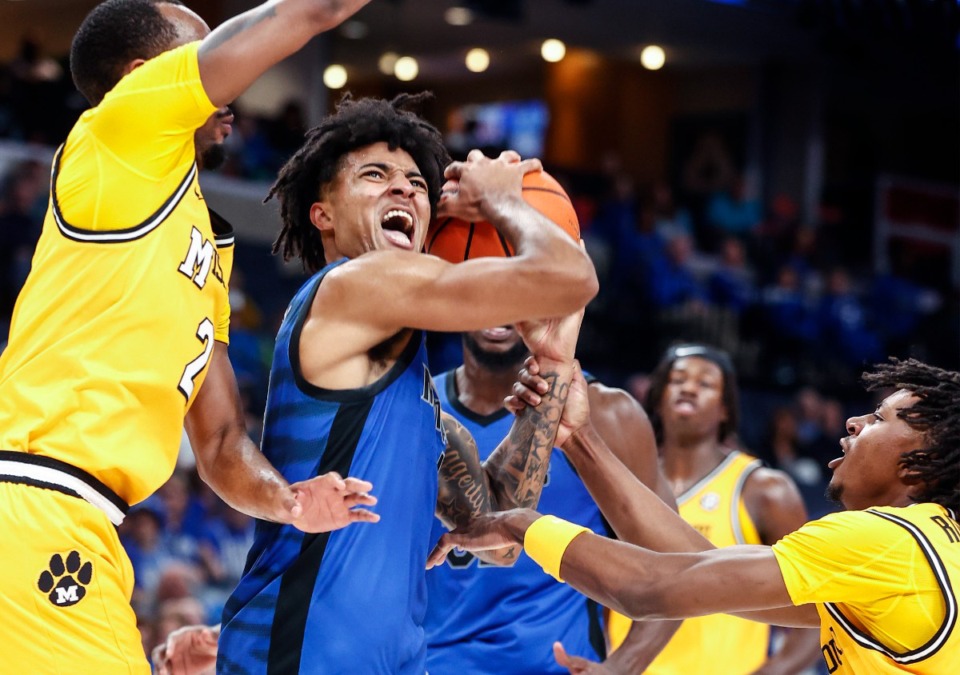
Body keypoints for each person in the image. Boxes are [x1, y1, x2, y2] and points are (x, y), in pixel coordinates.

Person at [0, 0, 382, 671]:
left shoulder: (204, 239)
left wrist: (289, 501)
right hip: (36, 497)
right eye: (199, 50)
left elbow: (221, 442)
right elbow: (310, 11)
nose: (226, 77)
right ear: (147, 75)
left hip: (77, 520)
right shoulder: (119, 131)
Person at [160, 94, 597, 674]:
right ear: (324, 215)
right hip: (306, 654)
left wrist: (552, 363)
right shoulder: (353, 284)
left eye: (418, 182)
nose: (404, 189)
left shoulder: (411, 391)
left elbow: (496, 532)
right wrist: (502, 198)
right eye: (375, 175)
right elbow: (570, 276)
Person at [431, 357, 960, 674]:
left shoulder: (884, 542)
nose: (853, 420)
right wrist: (578, 440)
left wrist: (519, 523)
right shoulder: (926, 547)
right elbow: (699, 563)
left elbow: (650, 587)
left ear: (921, 463)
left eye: (879, 418)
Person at [424, 325, 679, 674]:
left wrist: (623, 666)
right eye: (489, 288)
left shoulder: (605, 412)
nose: (500, 310)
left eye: (514, 289)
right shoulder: (420, 410)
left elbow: (677, 563)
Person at [604, 344, 821, 674]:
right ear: (659, 397)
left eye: (705, 383)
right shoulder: (624, 480)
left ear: (725, 409)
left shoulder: (763, 489)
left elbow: (817, 610)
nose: (689, 388)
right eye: (677, 380)